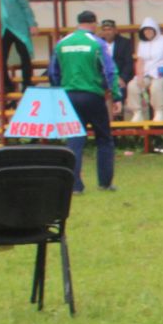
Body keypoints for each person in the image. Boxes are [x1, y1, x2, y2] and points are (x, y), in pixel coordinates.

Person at [46, 10, 120, 193]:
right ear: (93, 24)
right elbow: (109, 71)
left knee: (74, 140)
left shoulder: (62, 43)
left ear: (78, 23)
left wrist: (59, 90)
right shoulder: (97, 43)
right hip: (92, 95)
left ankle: (75, 185)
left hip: (69, 95)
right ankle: (105, 182)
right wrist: (116, 95)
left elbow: (53, 71)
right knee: (104, 138)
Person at [124, 19, 163, 122]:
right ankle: (137, 113)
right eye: (145, 30)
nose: (147, 32)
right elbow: (140, 61)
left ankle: (159, 112)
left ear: (155, 30)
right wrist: (139, 77)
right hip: (146, 74)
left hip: (162, 73)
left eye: (150, 30)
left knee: (156, 86)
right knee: (132, 85)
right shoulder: (142, 43)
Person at [99, 19, 134, 117]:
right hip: (103, 78)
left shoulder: (125, 43)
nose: (107, 32)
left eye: (109, 29)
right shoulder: (98, 43)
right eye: (105, 30)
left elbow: (128, 63)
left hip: (120, 78)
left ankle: (119, 119)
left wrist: (122, 78)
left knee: (120, 89)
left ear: (115, 30)